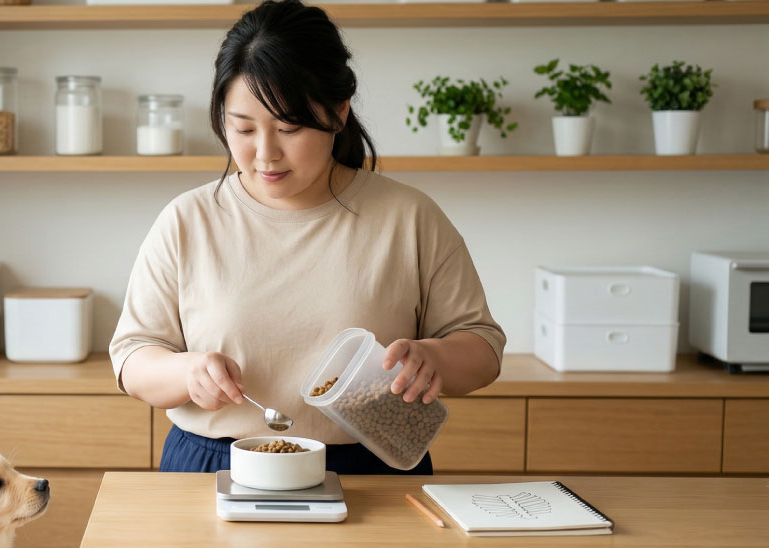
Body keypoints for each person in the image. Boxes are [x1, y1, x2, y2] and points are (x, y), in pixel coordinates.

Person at [109, 0, 505, 475]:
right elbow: (132, 358)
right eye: (243, 129)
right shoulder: (188, 220)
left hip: (370, 468)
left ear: (338, 113)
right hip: (214, 465)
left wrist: (433, 358)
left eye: (289, 128)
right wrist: (186, 373)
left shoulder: (408, 217)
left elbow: (482, 347)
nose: (265, 153)